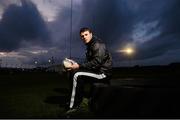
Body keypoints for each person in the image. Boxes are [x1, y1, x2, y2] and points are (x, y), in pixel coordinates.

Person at [65, 27, 112, 113]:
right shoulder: (90, 45)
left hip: (103, 74)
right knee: (73, 72)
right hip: (96, 71)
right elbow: (89, 63)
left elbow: (97, 62)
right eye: (82, 36)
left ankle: (74, 106)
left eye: (86, 34)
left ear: (91, 34)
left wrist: (78, 65)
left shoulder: (97, 44)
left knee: (77, 75)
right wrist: (75, 64)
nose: (84, 37)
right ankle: (77, 100)